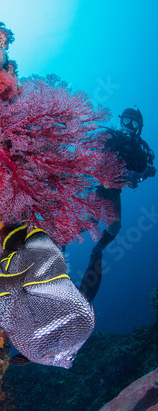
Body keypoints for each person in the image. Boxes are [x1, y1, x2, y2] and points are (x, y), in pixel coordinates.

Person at [79, 106, 156, 301]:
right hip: (97, 185)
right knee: (91, 221)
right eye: (126, 121)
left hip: (113, 191)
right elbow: (92, 155)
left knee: (114, 228)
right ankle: (61, 240)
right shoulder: (110, 136)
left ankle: (97, 251)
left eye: (134, 123)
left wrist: (144, 174)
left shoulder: (140, 149)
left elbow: (140, 171)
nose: (129, 126)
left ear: (139, 126)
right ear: (121, 121)